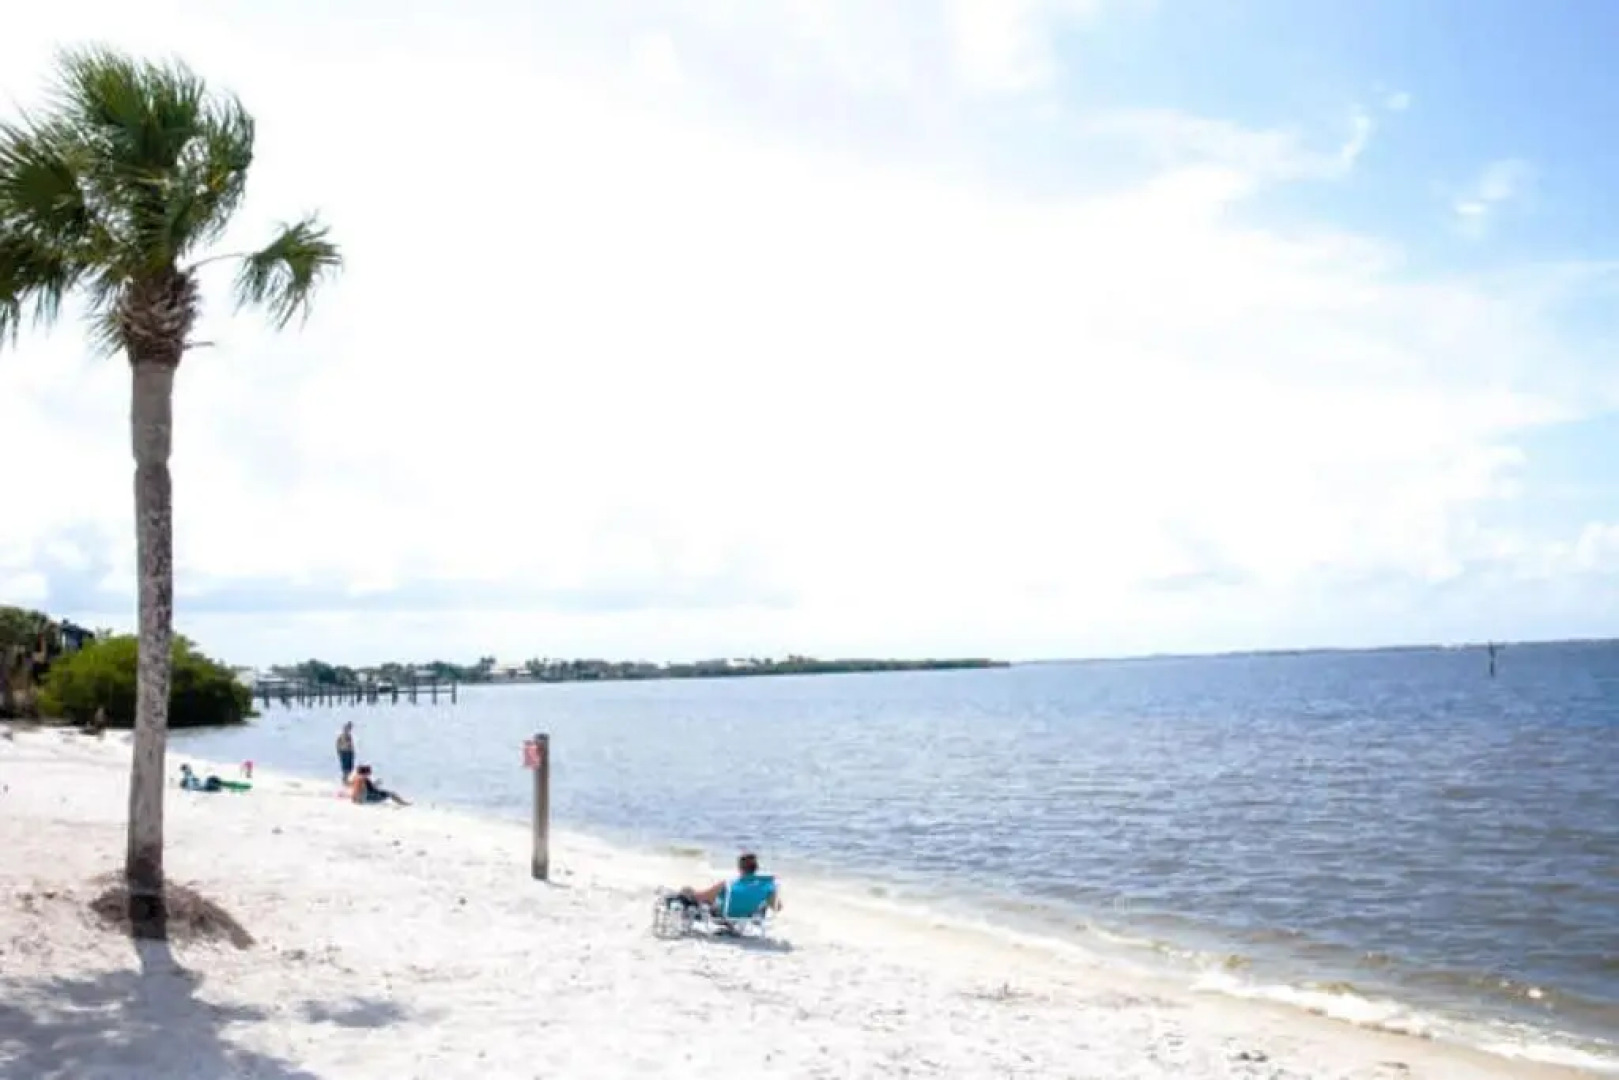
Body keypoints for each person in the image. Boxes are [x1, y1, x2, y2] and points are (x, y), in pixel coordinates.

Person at [676, 852, 781, 912]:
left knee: (687, 891)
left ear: (740, 868)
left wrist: (689, 892)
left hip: (724, 912)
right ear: (756, 868)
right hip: (748, 913)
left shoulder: (729, 885)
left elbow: (702, 897)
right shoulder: (766, 886)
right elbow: (777, 907)